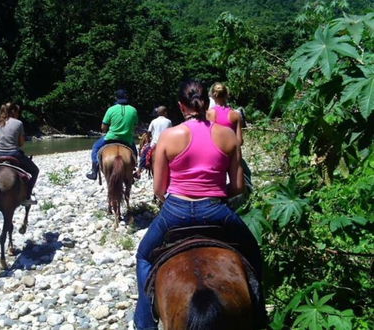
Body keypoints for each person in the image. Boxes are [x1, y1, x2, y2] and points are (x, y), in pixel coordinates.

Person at [134, 79, 263, 329]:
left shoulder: (170, 137)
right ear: (207, 103)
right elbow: (238, 187)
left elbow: (159, 189)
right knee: (252, 250)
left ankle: (144, 323)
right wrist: (213, 193)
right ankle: (258, 315)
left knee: (143, 257)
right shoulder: (227, 136)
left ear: (181, 106)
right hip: (216, 210)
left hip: (175, 211)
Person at [0, 102, 39, 205]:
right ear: (13, 111)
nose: (18, 114)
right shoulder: (18, 123)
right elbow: (21, 143)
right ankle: (27, 197)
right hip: (14, 153)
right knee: (35, 171)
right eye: (17, 112)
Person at [86, 89, 139, 180]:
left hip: (111, 137)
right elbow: (135, 125)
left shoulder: (111, 109)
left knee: (95, 147)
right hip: (127, 139)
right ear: (127, 97)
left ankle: (94, 170)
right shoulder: (133, 110)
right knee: (135, 153)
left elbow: (103, 126)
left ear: (116, 98)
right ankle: (133, 170)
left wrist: (105, 130)